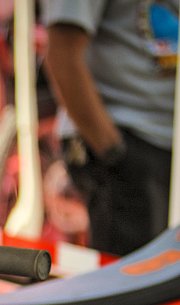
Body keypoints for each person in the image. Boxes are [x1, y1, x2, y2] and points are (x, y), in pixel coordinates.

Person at [43, 0, 177, 256]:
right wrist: (113, 151)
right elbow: (62, 55)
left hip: (164, 144)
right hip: (129, 139)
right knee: (135, 282)